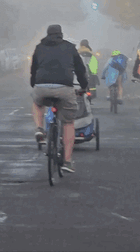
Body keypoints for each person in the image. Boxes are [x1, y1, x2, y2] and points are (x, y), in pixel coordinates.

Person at [31, 24, 88, 173]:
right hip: (64, 87)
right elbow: (80, 69)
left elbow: (34, 68)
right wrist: (84, 86)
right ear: (61, 34)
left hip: (41, 86)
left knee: (37, 104)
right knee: (68, 123)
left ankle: (39, 129)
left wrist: (34, 83)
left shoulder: (39, 47)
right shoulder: (70, 48)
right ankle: (67, 162)